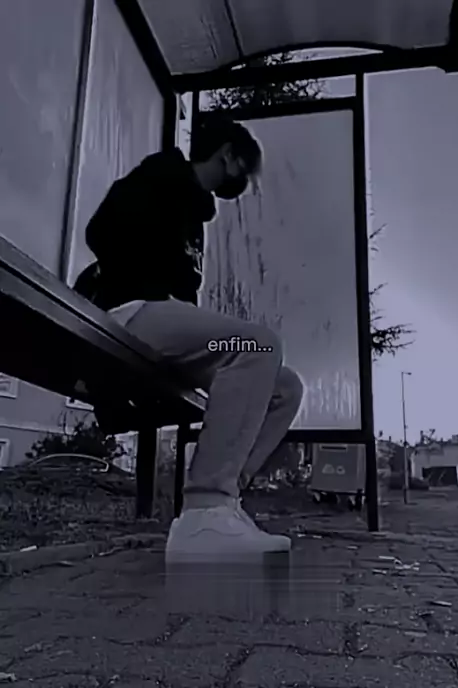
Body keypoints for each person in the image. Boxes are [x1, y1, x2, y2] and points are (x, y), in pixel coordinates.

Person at [74, 113, 304, 562]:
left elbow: (186, 293)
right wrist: (145, 279)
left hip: (167, 329)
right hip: (131, 313)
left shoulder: (196, 217)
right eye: (245, 170)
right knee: (258, 344)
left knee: (285, 387)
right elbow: (99, 232)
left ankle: (224, 502)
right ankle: (204, 510)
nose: (245, 183)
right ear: (228, 155)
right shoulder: (160, 175)